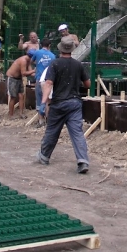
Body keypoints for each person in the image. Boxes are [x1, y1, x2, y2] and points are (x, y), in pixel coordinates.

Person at [36, 36, 91, 174]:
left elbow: (48, 84)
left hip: (58, 104)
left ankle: (44, 156)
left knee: (52, 131)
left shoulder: (55, 64)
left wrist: (43, 103)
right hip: (74, 103)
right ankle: (83, 161)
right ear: (72, 50)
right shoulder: (78, 65)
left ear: (60, 49)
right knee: (77, 133)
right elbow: (88, 84)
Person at [31, 38, 56, 128]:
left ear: (41, 45)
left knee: (39, 100)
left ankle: (41, 121)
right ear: (49, 45)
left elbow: (32, 61)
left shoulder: (37, 53)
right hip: (49, 80)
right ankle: (48, 121)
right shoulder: (53, 56)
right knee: (48, 100)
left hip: (39, 78)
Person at [6, 50, 36, 119]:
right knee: (13, 97)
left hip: (19, 79)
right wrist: (34, 70)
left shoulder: (28, 61)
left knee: (21, 95)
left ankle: (21, 113)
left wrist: (38, 74)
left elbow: (31, 73)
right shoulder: (23, 61)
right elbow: (24, 73)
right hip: (12, 78)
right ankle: (11, 115)